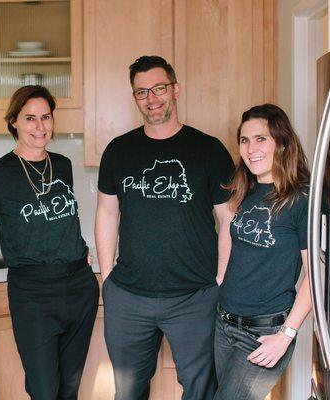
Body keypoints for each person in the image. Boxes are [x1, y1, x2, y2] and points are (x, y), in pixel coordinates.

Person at [95, 55, 235, 400]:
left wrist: (219, 281)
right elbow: (106, 213)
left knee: (200, 390)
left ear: (175, 89)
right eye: (142, 92)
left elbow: (229, 219)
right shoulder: (118, 151)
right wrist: (107, 278)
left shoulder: (209, 149)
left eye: (159, 88)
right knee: (128, 391)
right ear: (135, 98)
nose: (151, 99)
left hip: (194, 297)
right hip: (128, 296)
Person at [0, 85, 99, 400]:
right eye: (30, 118)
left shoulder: (63, 165)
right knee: (44, 390)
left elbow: (61, 220)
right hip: (33, 294)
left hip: (80, 286)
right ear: (14, 121)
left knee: (69, 388)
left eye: (45, 117)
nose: (40, 127)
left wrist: (78, 250)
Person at [214, 104, 311, 400]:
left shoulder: (301, 199)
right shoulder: (245, 188)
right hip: (224, 324)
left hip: (263, 333)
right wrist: (220, 280)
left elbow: (316, 276)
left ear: (281, 143)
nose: (250, 148)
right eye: (244, 140)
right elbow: (230, 237)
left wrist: (286, 336)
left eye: (261, 139)